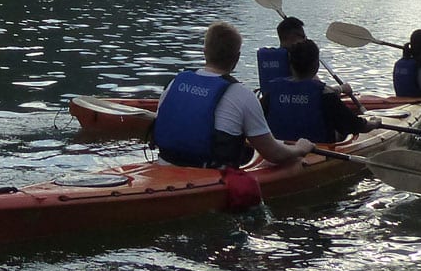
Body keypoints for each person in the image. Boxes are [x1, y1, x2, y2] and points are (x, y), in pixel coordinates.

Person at [153, 20, 314, 168]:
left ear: (205, 52)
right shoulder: (242, 95)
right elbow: (274, 154)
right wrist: (299, 149)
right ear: (236, 58)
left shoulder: (174, 83)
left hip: (163, 167)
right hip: (210, 176)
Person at [262, 38, 371, 144]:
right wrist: (374, 123)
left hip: (281, 150)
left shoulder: (272, 92)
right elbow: (356, 126)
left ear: (291, 66)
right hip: (320, 150)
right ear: (316, 66)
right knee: (342, 131)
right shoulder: (325, 95)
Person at [256, 16, 308, 93]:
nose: (305, 40)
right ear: (293, 37)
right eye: (303, 37)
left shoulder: (268, 56)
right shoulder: (297, 59)